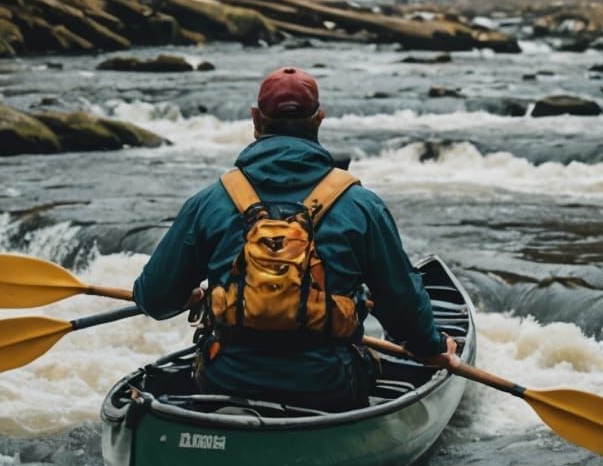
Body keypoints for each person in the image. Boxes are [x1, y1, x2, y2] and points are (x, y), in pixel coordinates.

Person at [133, 67, 460, 411]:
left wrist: (193, 294)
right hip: (330, 386)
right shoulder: (362, 205)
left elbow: (153, 299)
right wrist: (433, 346)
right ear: (319, 119)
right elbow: (402, 305)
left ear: (255, 118)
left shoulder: (210, 201)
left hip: (225, 378)